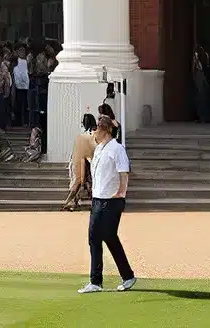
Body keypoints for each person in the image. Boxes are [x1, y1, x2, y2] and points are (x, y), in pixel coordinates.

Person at [78, 114, 136, 294]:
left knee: (98, 236)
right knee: (104, 237)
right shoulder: (100, 148)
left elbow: (123, 172)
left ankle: (96, 280)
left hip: (112, 200)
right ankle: (127, 276)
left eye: (95, 129)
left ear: (104, 130)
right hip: (98, 198)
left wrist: (121, 192)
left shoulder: (116, 149)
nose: (93, 132)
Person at [63, 112, 97, 211]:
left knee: (79, 182)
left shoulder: (89, 133)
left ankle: (72, 202)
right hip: (87, 160)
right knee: (83, 182)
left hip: (87, 160)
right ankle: (72, 202)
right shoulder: (91, 132)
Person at [12, 47, 30, 126]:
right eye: (20, 51)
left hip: (25, 87)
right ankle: (18, 121)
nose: (22, 53)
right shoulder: (15, 62)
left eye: (23, 52)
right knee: (18, 105)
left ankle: (25, 121)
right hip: (18, 87)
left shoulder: (27, 61)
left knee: (25, 105)